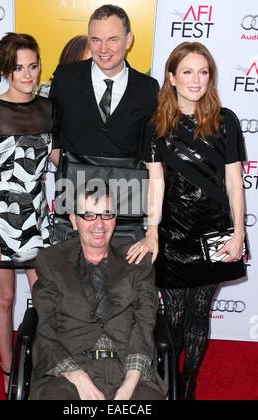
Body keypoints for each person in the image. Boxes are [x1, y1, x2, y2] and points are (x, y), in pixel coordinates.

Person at [149, 42, 246, 399]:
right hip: (172, 234)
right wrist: (151, 234)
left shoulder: (226, 121)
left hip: (215, 232)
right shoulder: (156, 126)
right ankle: (171, 381)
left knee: (199, 314)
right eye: (187, 71)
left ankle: (188, 383)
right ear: (172, 77)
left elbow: (234, 181)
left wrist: (238, 233)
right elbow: (155, 184)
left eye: (203, 72)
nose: (196, 79)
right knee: (173, 317)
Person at [0, 32, 59, 394]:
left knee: (46, 299)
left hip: (36, 219)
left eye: (33, 66)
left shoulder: (49, 109)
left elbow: (56, 159)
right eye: (19, 67)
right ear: (6, 69)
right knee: (3, 299)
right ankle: (8, 370)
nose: (28, 75)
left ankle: (42, 366)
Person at [49, 4, 163, 263]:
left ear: (129, 40)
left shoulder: (148, 89)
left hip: (127, 209)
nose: (103, 49)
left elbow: (152, 154)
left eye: (112, 39)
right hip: (74, 210)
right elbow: (52, 136)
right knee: (71, 293)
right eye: (96, 40)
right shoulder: (65, 78)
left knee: (122, 295)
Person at [30, 186, 167, 400]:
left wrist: (129, 384)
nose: (99, 224)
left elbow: (144, 323)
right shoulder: (51, 261)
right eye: (89, 215)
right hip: (69, 370)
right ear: (74, 220)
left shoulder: (138, 260)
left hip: (129, 369)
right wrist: (76, 376)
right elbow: (45, 327)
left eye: (107, 214)